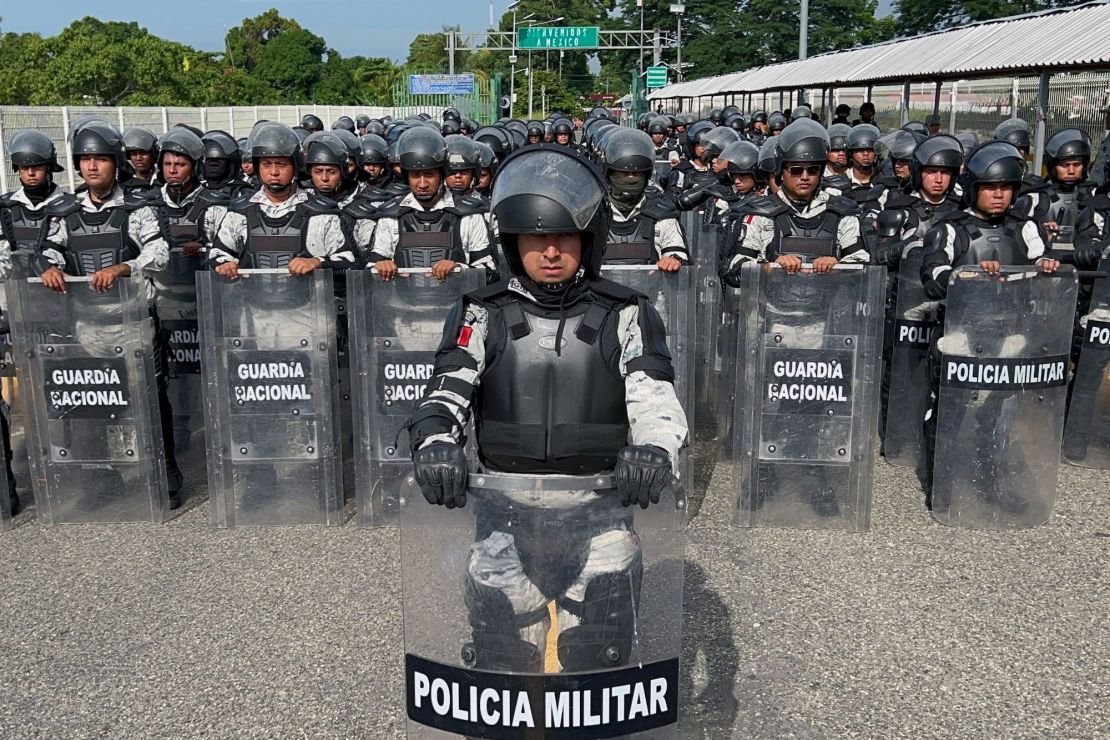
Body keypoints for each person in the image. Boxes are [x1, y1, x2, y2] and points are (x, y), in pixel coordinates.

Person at [407, 143, 688, 674]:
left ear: (589, 239)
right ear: (512, 243)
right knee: (504, 653)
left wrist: (654, 448)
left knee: (597, 653)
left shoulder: (627, 313)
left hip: (599, 508)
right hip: (503, 511)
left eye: (564, 237)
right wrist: (436, 442)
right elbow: (445, 389)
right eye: (537, 238)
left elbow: (653, 394)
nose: (551, 251)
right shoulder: (479, 312)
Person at [34, 121, 185, 506]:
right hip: (88, 326)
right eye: (85, 159)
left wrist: (125, 267)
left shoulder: (138, 208)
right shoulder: (65, 211)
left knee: (148, 401)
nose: (92, 166)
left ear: (115, 163)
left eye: (100, 158)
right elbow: (47, 250)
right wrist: (47, 267)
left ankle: (163, 473)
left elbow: (159, 253)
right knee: (92, 405)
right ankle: (101, 478)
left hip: (133, 325)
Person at [918, 141, 1059, 506]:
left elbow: (1043, 258)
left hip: (1008, 333)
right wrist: (968, 273)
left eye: (1006, 188)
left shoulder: (1023, 227)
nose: (998, 195)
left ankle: (989, 479)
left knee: (999, 413)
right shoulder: (951, 228)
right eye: (990, 188)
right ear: (974, 188)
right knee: (950, 409)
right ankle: (942, 483)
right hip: (960, 333)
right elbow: (932, 275)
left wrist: (1047, 268)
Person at [722, 119, 869, 277]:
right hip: (771, 299)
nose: (805, 177)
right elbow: (735, 266)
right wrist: (769, 266)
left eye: (812, 170)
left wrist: (838, 266)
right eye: (796, 170)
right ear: (781, 172)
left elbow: (864, 266)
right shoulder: (759, 214)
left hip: (827, 298)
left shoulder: (842, 213)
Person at [209, 122, 356, 276]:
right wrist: (225, 264)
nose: (274, 172)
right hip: (250, 298)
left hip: (308, 299)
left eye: (281, 165)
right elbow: (217, 254)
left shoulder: (323, 213)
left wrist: (317, 262)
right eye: (266, 165)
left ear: (295, 166)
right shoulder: (239, 211)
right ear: (257, 167)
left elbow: (348, 262)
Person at [368, 128, 494, 281]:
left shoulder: (469, 214)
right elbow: (370, 269)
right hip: (403, 302)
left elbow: (489, 270)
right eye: (415, 175)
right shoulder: (391, 215)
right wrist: (380, 267)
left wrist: (458, 269)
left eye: (429, 175)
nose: (422, 184)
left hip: (457, 301)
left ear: (442, 174)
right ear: (406, 176)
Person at [598, 129, 688, 269]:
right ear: (609, 174)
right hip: (600, 290)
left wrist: (673, 259)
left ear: (646, 176)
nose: (631, 179)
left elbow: (676, 250)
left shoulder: (662, 215)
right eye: (624, 174)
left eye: (636, 174)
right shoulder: (594, 214)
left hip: (649, 289)